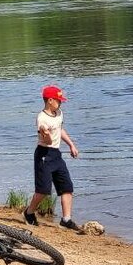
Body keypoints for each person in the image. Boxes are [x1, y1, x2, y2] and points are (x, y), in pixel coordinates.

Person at [26, 85, 80, 231]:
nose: (60, 103)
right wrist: (46, 135)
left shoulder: (59, 113)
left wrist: (71, 145)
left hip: (56, 154)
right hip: (44, 154)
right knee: (43, 191)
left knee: (67, 187)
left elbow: (60, 129)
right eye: (58, 100)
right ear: (50, 100)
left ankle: (66, 219)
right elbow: (47, 139)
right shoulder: (42, 118)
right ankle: (29, 213)